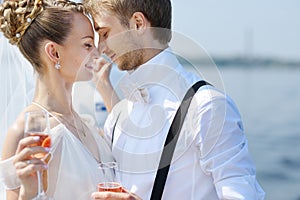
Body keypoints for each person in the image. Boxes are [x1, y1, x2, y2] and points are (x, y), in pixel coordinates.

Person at [84, 0, 266, 199]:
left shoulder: (207, 106)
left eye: (104, 34)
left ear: (138, 24)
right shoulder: (118, 115)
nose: (100, 48)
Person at [0, 0, 116, 199]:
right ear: (54, 52)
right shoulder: (27, 132)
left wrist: (105, 87)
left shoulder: (85, 123)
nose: (98, 54)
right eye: (88, 45)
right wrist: (27, 193)